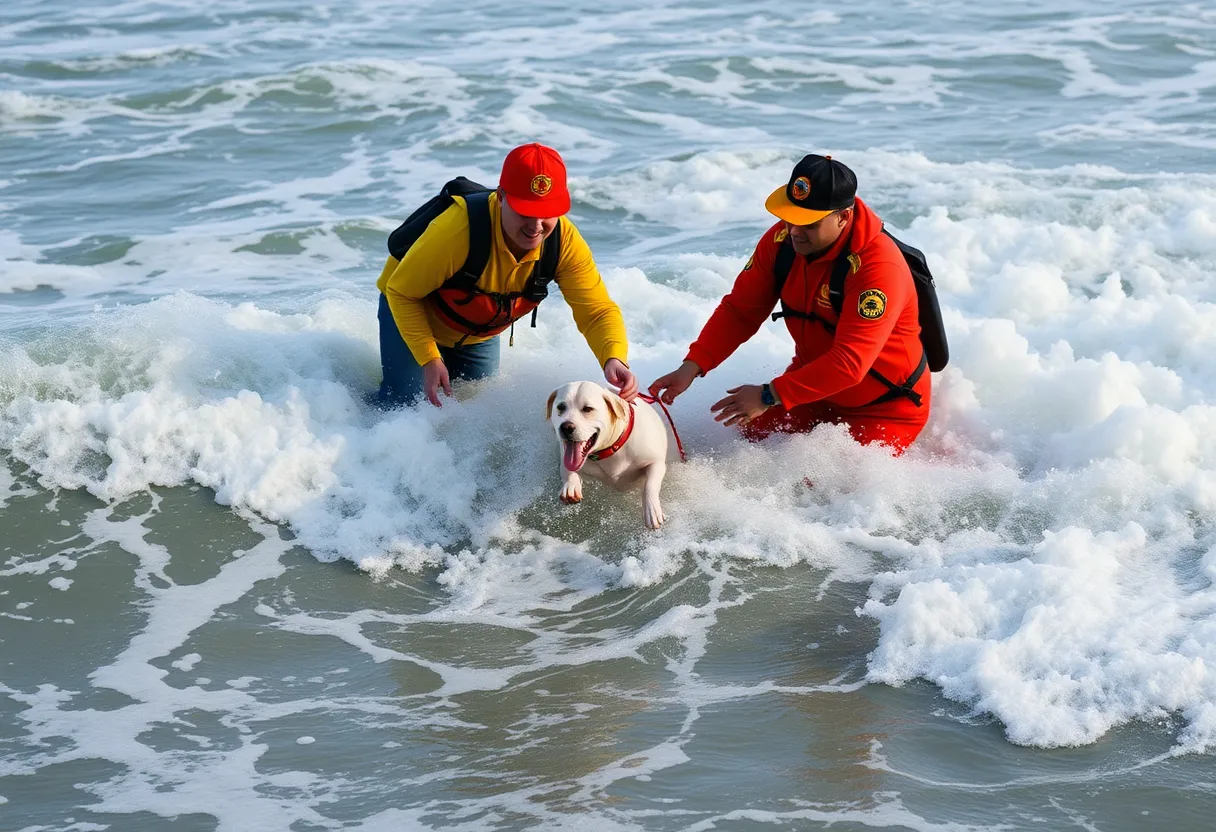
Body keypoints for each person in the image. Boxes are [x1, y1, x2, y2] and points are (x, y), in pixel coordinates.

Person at [648, 154, 930, 454]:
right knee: (744, 449)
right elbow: (740, 310)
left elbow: (850, 364)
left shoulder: (878, 267)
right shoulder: (782, 242)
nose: (795, 231)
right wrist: (691, 366)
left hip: (884, 408)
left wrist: (768, 395)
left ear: (843, 217)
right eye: (791, 217)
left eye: (810, 223)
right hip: (813, 392)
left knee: (818, 490)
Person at [375, 143, 637, 408]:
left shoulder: (564, 242)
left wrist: (613, 357)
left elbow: (597, 311)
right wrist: (429, 357)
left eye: (546, 213)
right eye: (525, 211)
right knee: (405, 407)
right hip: (410, 309)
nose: (536, 227)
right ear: (501, 197)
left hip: (477, 333)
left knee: (477, 414)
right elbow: (401, 292)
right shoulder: (457, 230)